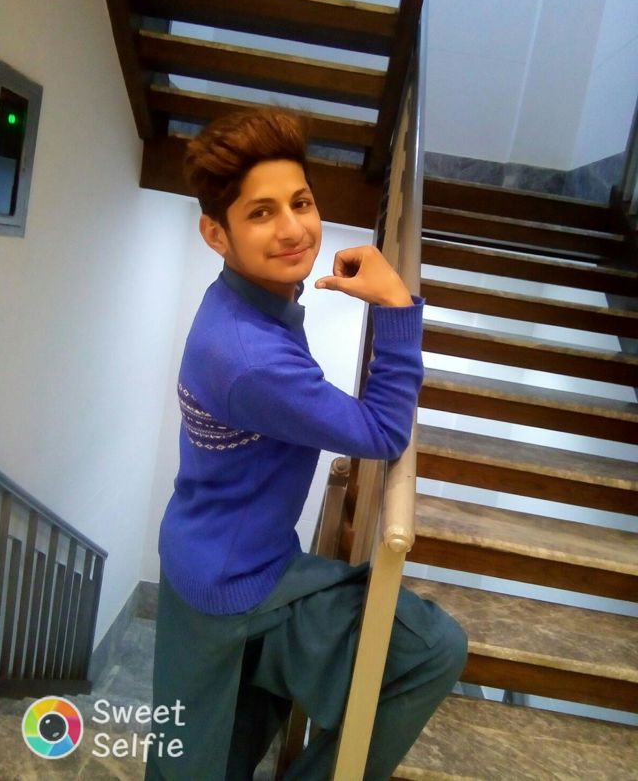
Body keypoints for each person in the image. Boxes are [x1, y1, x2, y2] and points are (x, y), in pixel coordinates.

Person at [144, 108, 467, 781]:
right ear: (216, 233)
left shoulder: (241, 304)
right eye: (261, 213)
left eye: (302, 202)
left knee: (207, 750)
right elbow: (383, 432)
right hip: (235, 580)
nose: (294, 228)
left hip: (206, 551)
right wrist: (397, 307)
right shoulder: (250, 358)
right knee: (431, 648)